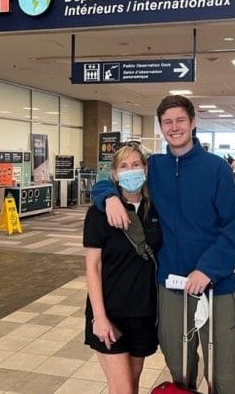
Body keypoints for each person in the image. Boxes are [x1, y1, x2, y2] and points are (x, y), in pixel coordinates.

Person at [92, 95, 235, 394]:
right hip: (172, 287)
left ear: (192, 123)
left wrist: (207, 270)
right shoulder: (155, 167)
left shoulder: (216, 169)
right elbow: (112, 178)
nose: (174, 127)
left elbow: (233, 230)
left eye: (180, 120)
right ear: (161, 127)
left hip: (216, 286)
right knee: (180, 368)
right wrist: (107, 197)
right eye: (167, 122)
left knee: (223, 373)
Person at [84, 145, 162, 394]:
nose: (131, 171)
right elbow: (93, 267)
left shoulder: (155, 209)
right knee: (123, 389)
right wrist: (100, 317)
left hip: (143, 312)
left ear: (145, 169)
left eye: (136, 165)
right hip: (110, 312)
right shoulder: (99, 212)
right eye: (124, 166)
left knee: (133, 384)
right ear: (115, 174)